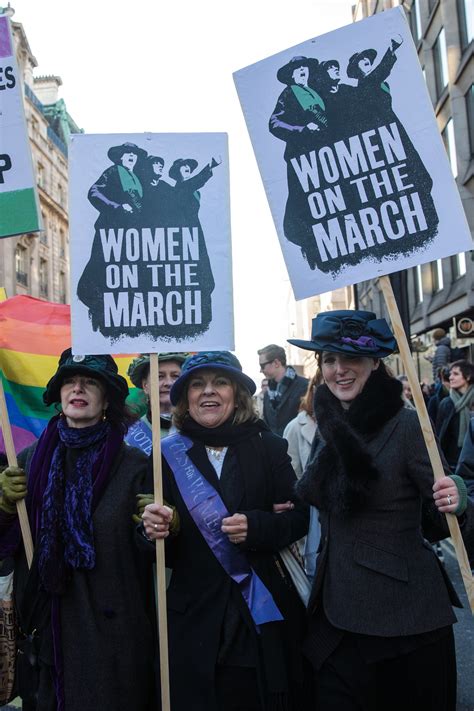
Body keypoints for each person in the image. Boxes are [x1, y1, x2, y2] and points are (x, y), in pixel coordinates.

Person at [288, 310, 471, 711]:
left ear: (376, 362)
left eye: (349, 358)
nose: (338, 370)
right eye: (329, 360)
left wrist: (457, 496)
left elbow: (443, 521)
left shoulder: (409, 425)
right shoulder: (329, 422)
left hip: (403, 623)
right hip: (335, 616)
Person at [141, 351, 309, 710]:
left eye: (220, 382)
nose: (208, 392)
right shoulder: (164, 456)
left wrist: (258, 525)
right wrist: (155, 530)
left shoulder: (269, 447)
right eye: (197, 384)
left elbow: (298, 518)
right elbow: (151, 548)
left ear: (238, 393)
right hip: (195, 620)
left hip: (260, 615)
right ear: (185, 397)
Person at [0, 349, 156, 711]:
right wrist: (4, 506)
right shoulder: (27, 460)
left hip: (114, 628)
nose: (78, 388)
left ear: (107, 399)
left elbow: (151, 550)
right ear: (58, 395)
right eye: (69, 381)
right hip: (48, 626)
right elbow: (7, 542)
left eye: (90, 382)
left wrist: (156, 528)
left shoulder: (135, 463)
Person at [269, 55, 327, 268]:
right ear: (291, 75)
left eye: (305, 67)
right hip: (301, 157)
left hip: (323, 155)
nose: (303, 71)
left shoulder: (315, 93)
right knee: (303, 202)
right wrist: (302, 130)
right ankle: (309, 246)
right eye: (298, 69)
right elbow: (274, 123)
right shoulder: (288, 94)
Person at [126, 351, 188, 453]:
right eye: (159, 376)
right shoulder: (129, 437)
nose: (168, 383)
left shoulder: (201, 427)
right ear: (145, 386)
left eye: (175, 376)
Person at [257, 344, 308, 436]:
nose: (261, 370)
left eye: (262, 365)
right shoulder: (267, 394)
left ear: (276, 363)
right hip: (275, 449)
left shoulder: (305, 386)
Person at [436, 360, 474, 470]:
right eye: (450, 374)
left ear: (468, 377)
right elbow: (441, 436)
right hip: (454, 464)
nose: (451, 377)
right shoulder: (447, 403)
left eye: (456, 374)